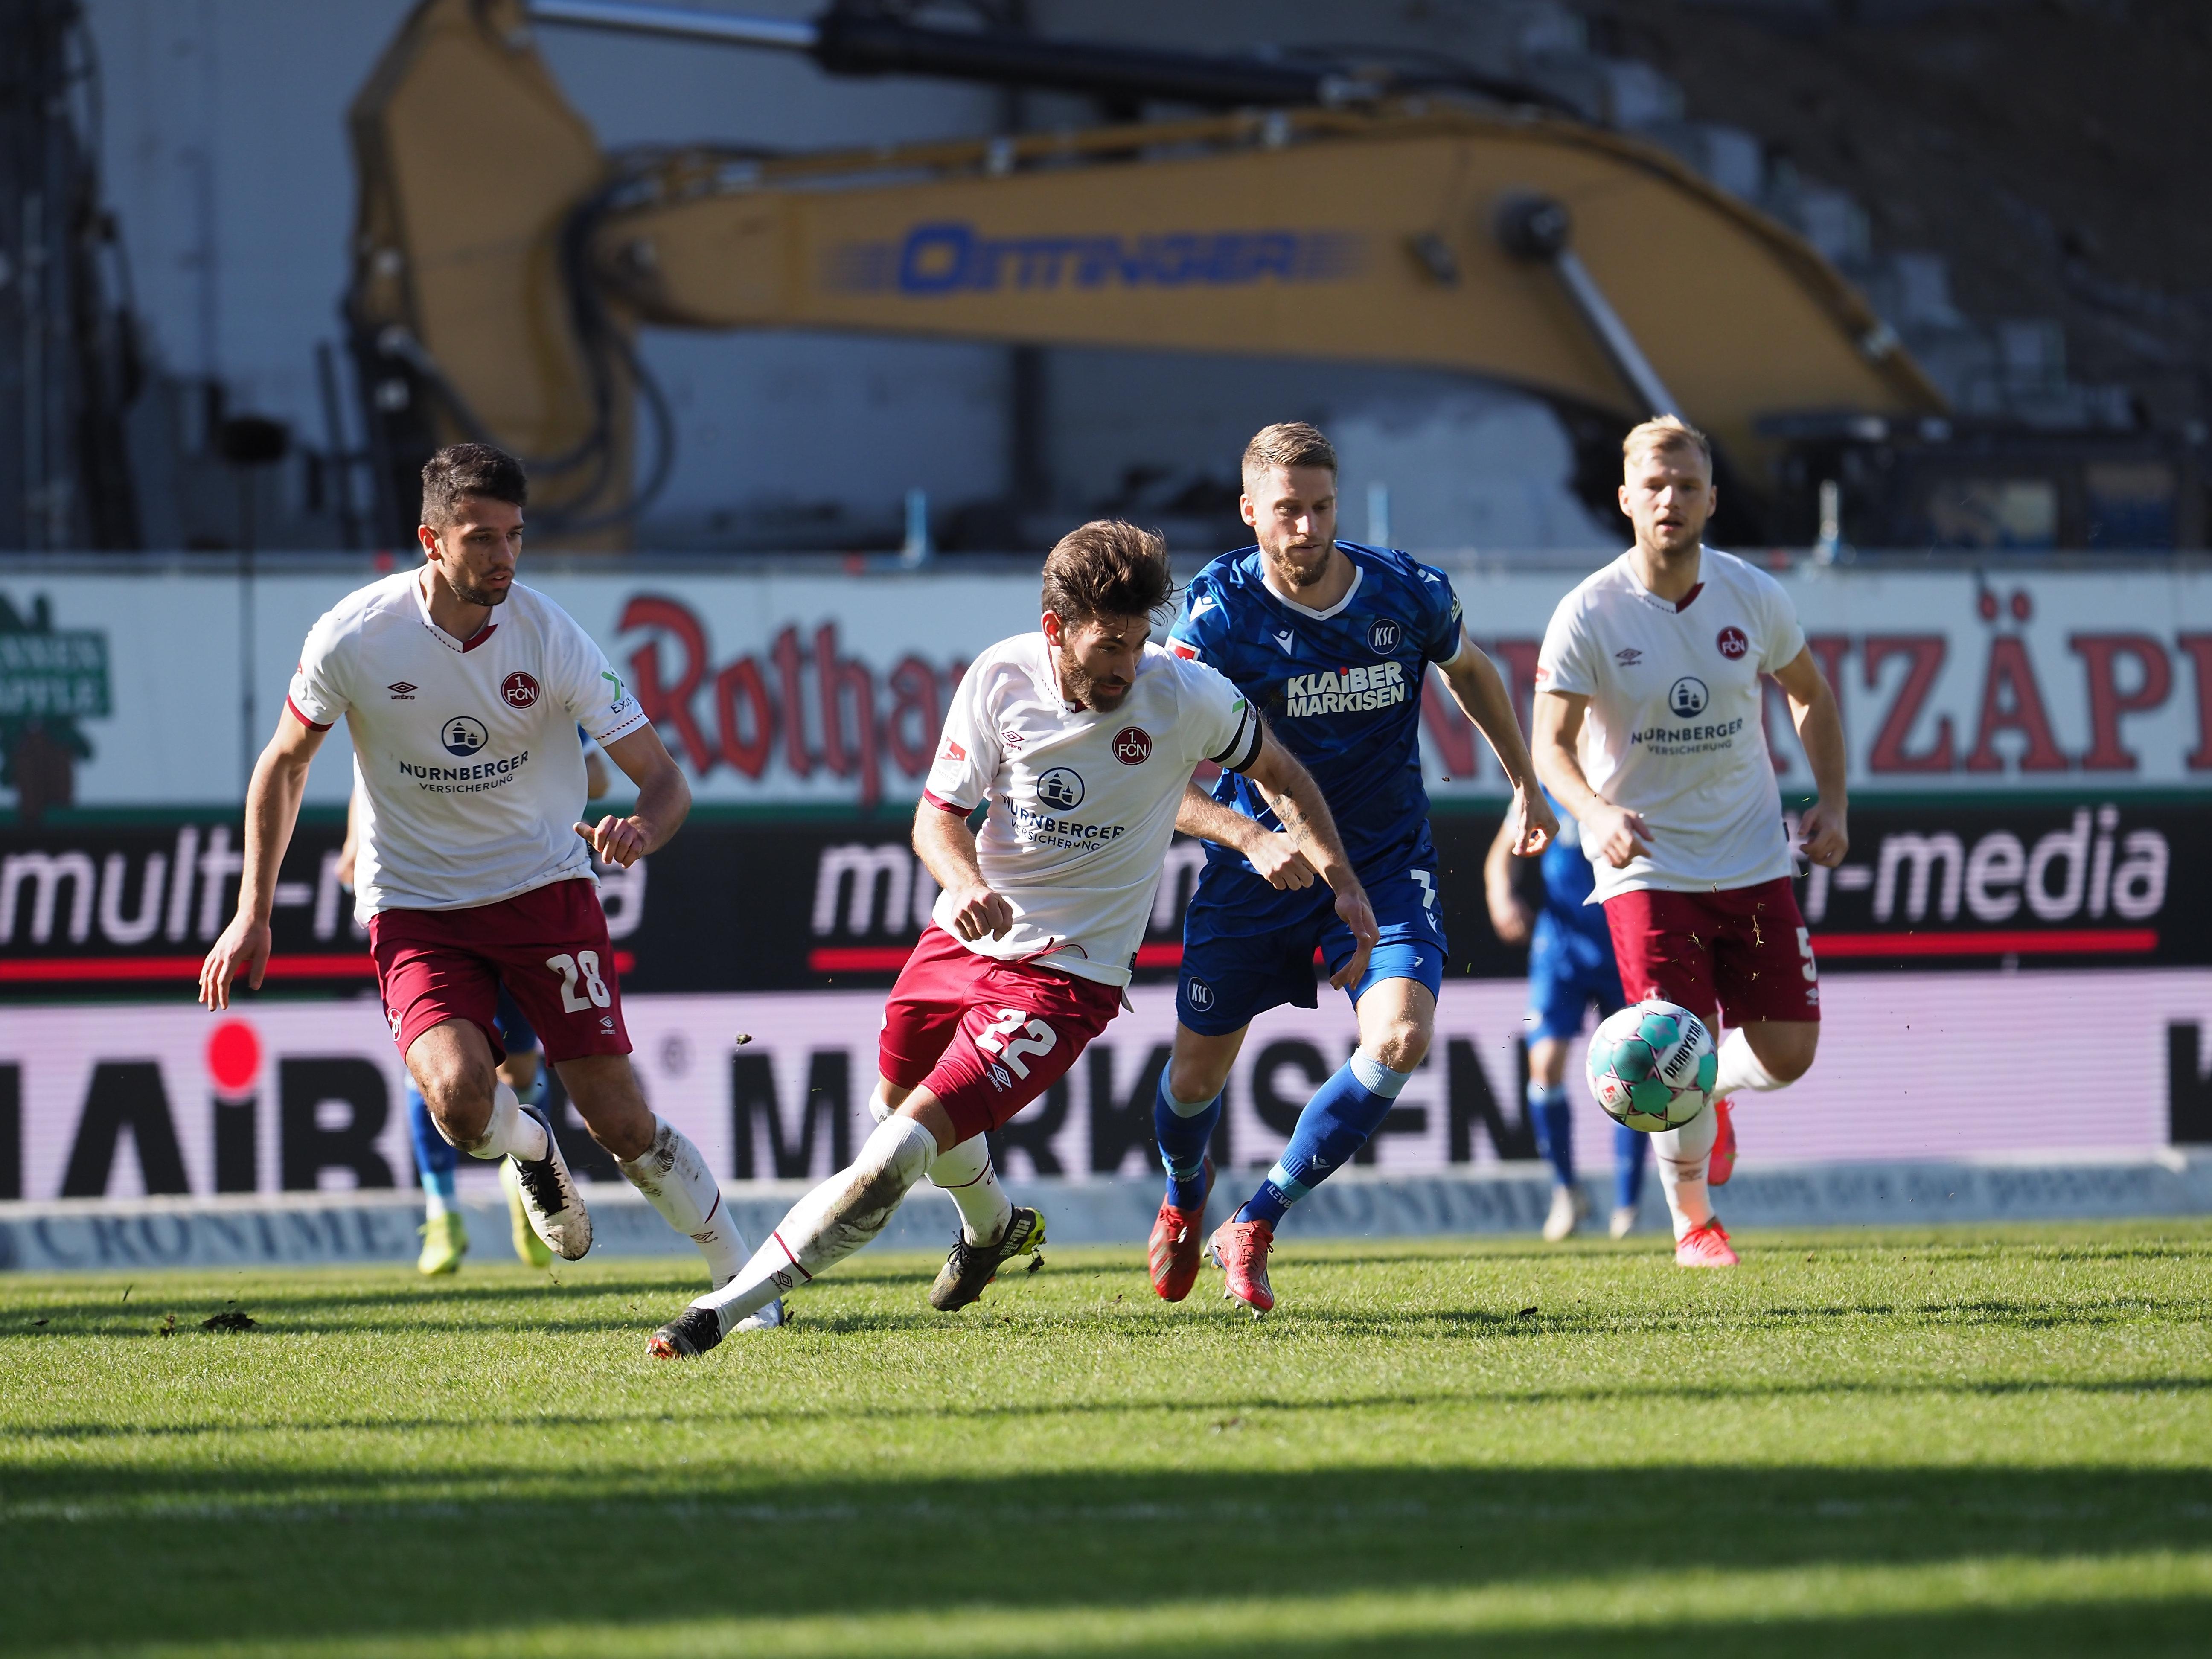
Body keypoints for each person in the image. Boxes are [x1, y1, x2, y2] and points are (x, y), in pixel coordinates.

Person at [645, 519, 1366, 1357]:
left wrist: (1331, 875)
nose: (1127, 666)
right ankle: (993, 1228)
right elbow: (937, 817)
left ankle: (718, 1314)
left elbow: (1278, 770)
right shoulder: (999, 676)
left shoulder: (1183, 694)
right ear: (1056, 629)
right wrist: (965, 884)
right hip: (964, 941)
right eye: (1110, 645)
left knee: (894, 1153)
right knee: (889, 1107)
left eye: (1139, 643)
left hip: (1068, 979)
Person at [200, 442, 774, 1320]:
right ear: (430, 540)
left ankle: (742, 1277)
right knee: (463, 1106)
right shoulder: (352, 636)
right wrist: (252, 913)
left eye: (514, 536)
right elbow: (282, 766)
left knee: (621, 1124)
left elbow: (666, 781)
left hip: (545, 894)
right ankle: (527, 1145)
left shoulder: (551, 637)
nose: (503, 557)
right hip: (416, 905)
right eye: (481, 539)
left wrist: (642, 829)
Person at [1153, 422, 1555, 1316]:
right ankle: (1187, 1193)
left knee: (1400, 1039)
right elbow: (1155, 780)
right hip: (1263, 872)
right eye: (1287, 511)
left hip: (1379, 865)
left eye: (1322, 507)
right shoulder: (1215, 615)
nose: (1307, 529)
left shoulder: (1405, 591)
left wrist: (1526, 784)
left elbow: (1473, 670)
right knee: (1193, 1084)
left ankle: (1254, 1221)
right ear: (1250, 513)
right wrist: (1248, 837)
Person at [1531, 415, 1848, 1268]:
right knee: (1673, 1041)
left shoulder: (1754, 595)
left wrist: (1836, 805)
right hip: (1647, 867)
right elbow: (1548, 748)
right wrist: (1596, 816)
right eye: (1654, 485)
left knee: (1788, 1053)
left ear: (1711, 498)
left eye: (1686, 485)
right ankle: (1693, 1223)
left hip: (1751, 856)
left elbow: (1809, 693)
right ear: (1626, 498)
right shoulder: (1588, 612)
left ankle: (1715, 1097)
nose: (1670, 499)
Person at [339, 739, 611, 1275]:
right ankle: (442, 1211)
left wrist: (512, 775)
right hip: (423, 898)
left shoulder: (525, 678)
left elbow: (597, 776)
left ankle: (522, 1168)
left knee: (521, 1065)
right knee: (433, 1058)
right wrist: (355, 837)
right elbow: (374, 767)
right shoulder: (394, 679)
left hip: (515, 891)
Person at [1484, 795, 1649, 1242]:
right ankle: (1565, 1191)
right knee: (1544, 1068)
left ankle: (1628, 1207)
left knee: (1636, 1072)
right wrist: (1501, 896)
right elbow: (1502, 854)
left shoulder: (1624, 771)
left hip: (1623, 943)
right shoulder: (1546, 784)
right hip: (1561, 948)